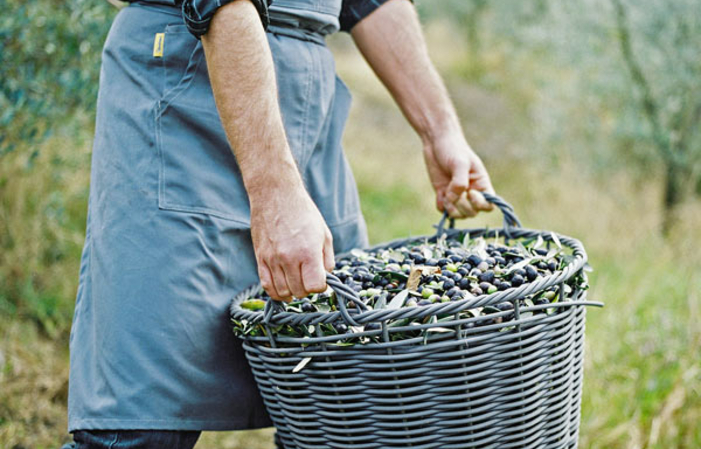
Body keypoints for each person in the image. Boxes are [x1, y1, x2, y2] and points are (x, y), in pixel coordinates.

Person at [63, 0, 495, 447]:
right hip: (189, 67)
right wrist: (274, 193)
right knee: (141, 423)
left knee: (345, 408)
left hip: (304, 91)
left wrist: (440, 131)